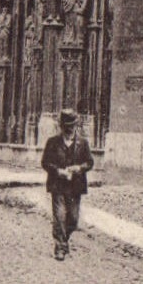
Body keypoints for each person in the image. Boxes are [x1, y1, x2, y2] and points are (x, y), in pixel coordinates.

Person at [40, 107, 94, 260]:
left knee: (73, 220)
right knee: (59, 216)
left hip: (75, 187)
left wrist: (79, 168)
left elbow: (90, 162)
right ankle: (60, 247)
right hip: (58, 185)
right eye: (66, 126)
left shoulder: (83, 143)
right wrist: (57, 171)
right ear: (61, 126)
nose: (69, 129)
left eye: (72, 126)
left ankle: (64, 240)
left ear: (76, 126)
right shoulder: (52, 142)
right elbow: (45, 162)